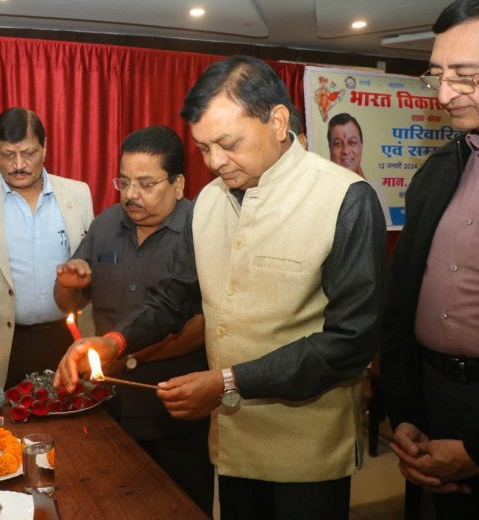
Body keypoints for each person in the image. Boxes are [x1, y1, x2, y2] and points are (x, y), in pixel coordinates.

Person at [55, 56, 386, 520]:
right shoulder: (210, 200)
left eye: (227, 145)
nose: (213, 162)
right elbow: (175, 296)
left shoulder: (345, 198)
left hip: (306, 449)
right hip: (232, 441)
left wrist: (228, 381)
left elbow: (350, 341)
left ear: (278, 121)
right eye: (204, 148)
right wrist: (114, 341)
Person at [53, 126, 213, 514]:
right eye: (123, 182)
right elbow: (66, 301)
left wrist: (120, 353)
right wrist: (68, 284)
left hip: (175, 406)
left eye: (146, 183)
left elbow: (203, 326)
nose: (130, 195)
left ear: (178, 184)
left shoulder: (202, 228)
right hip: (109, 404)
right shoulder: (106, 223)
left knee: (180, 507)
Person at [381, 1, 479, 517]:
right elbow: (400, 301)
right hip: (433, 395)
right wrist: (405, 412)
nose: (443, 95)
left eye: (465, 77)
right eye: (438, 76)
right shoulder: (438, 171)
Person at [0, 107, 93, 388]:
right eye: (7, 155)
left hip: (67, 340)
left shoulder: (78, 194)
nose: (18, 165)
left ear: (44, 148)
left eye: (29, 153)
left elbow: (91, 274)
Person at [328, 113, 393, 225]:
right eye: (338, 144)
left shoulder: (376, 193)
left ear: (362, 146)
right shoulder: (320, 193)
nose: (346, 151)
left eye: (352, 142)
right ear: (330, 148)